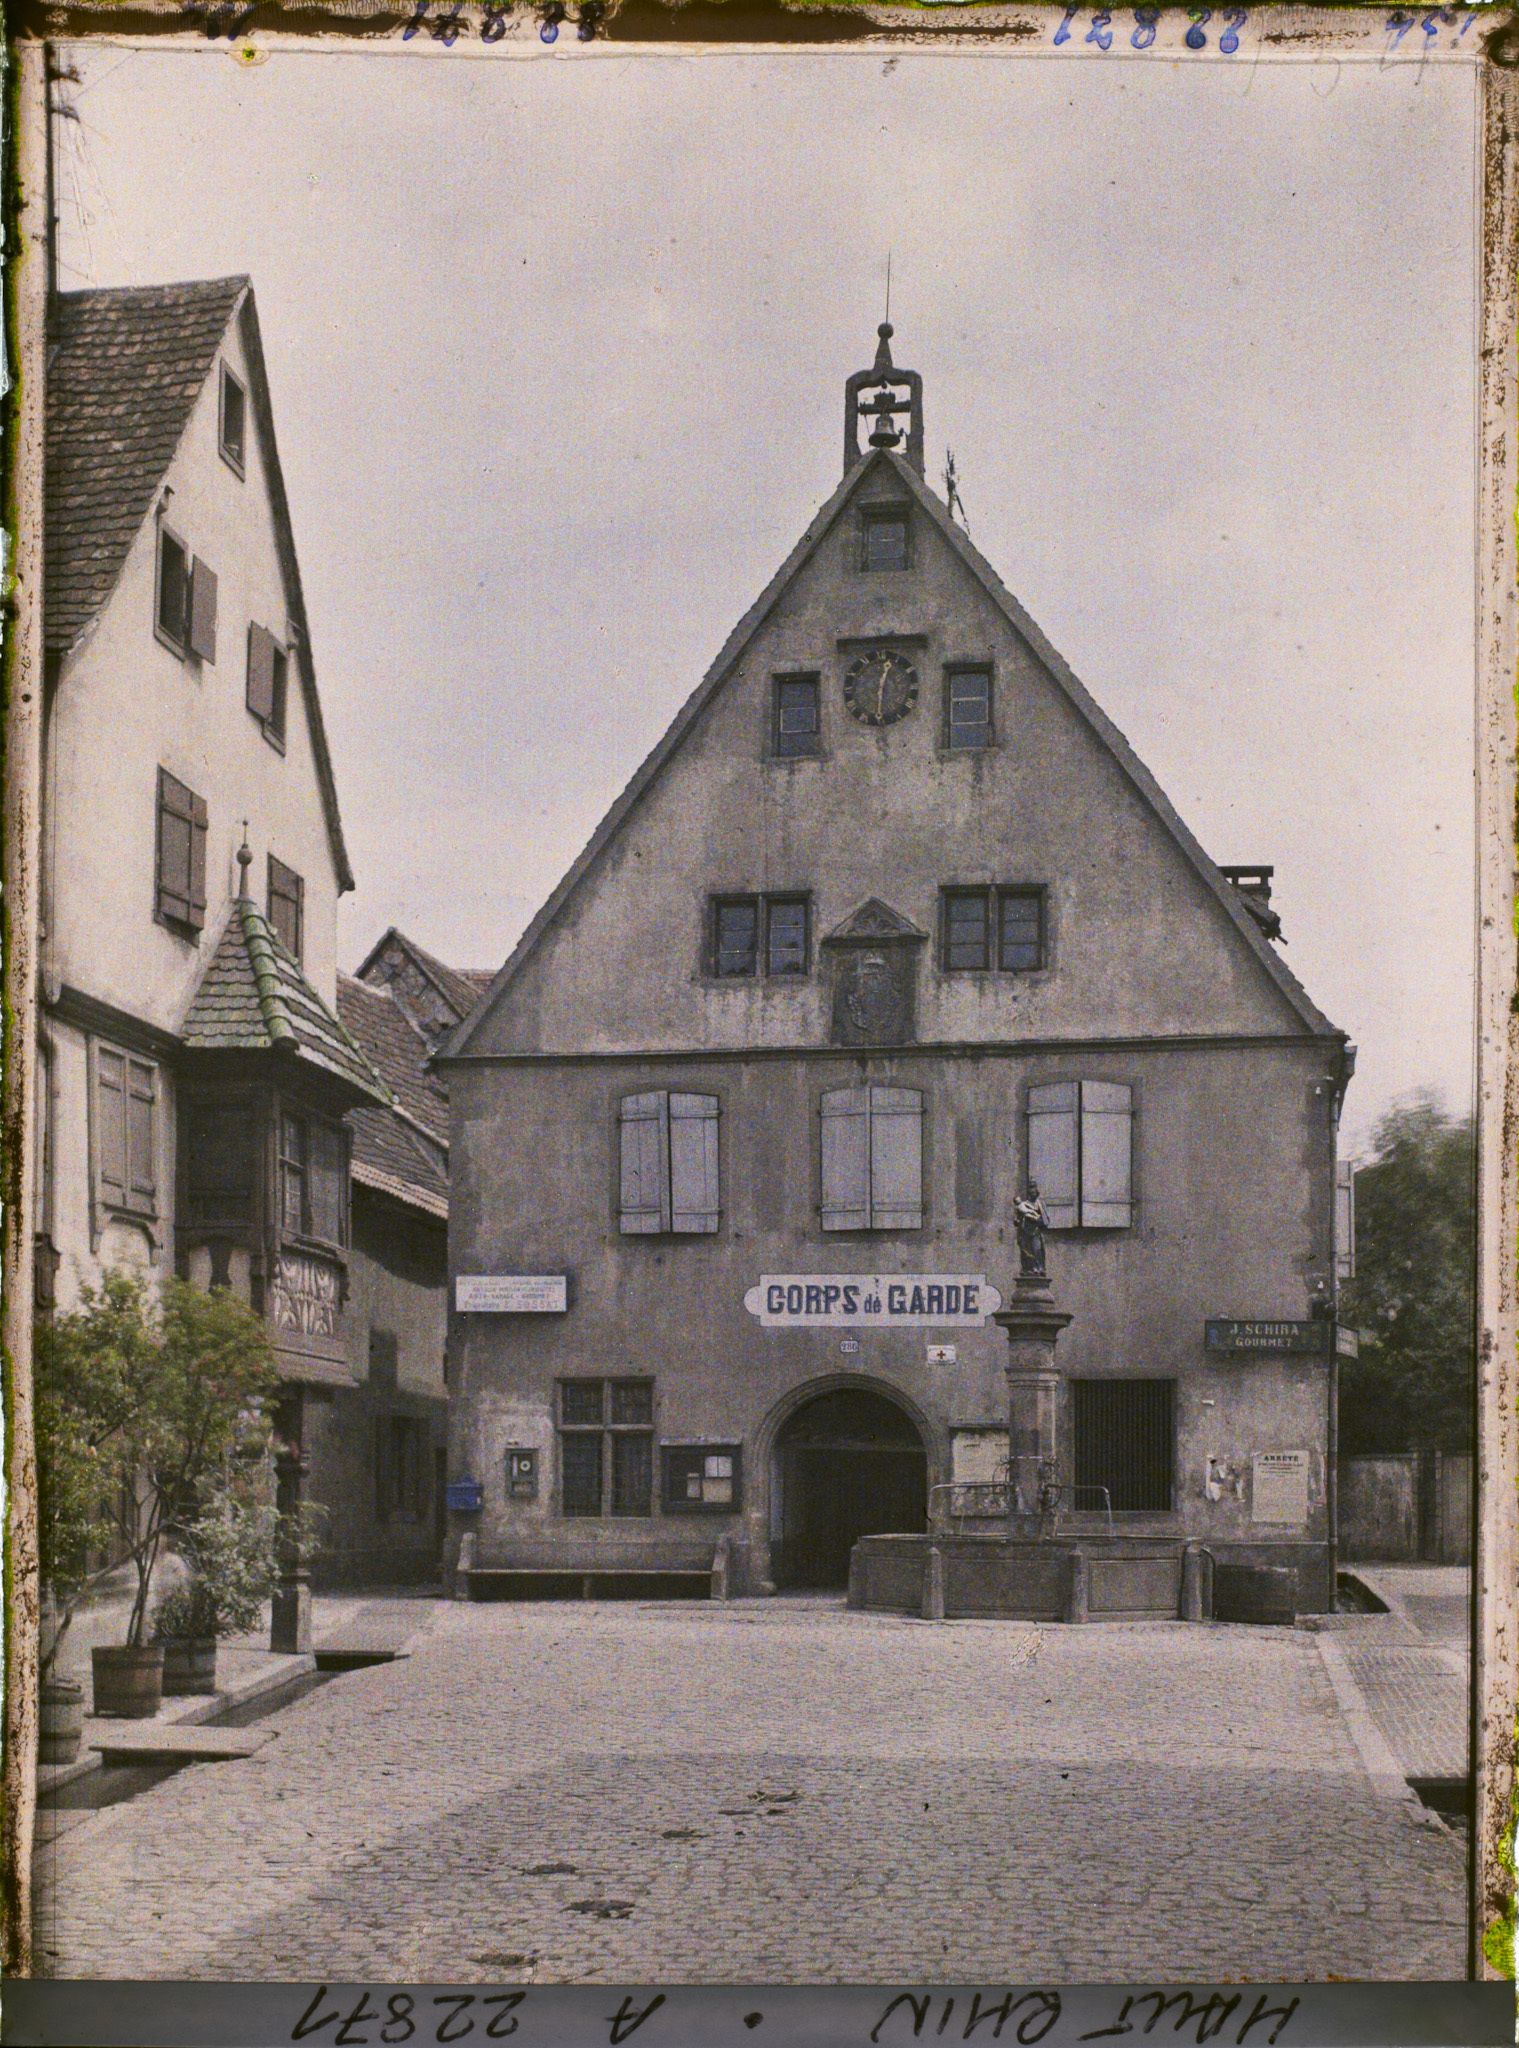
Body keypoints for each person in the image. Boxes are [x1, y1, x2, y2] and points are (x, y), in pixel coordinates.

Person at [1013, 1181, 1049, 1277]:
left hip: (1036, 1232)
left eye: (1034, 1191)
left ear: (1036, 1192)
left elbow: (1046, 1221)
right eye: (1030, 1191)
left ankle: (1039, 1268)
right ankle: (1028, 1269)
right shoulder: (1023, 1204)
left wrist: (1037, 1220)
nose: (1032, 1193)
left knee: (1037, 1250)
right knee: (1026, 1252)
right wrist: (1017, 1221)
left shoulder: (1040, 1204)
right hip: (1025, 1232)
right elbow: (1017, 1219)